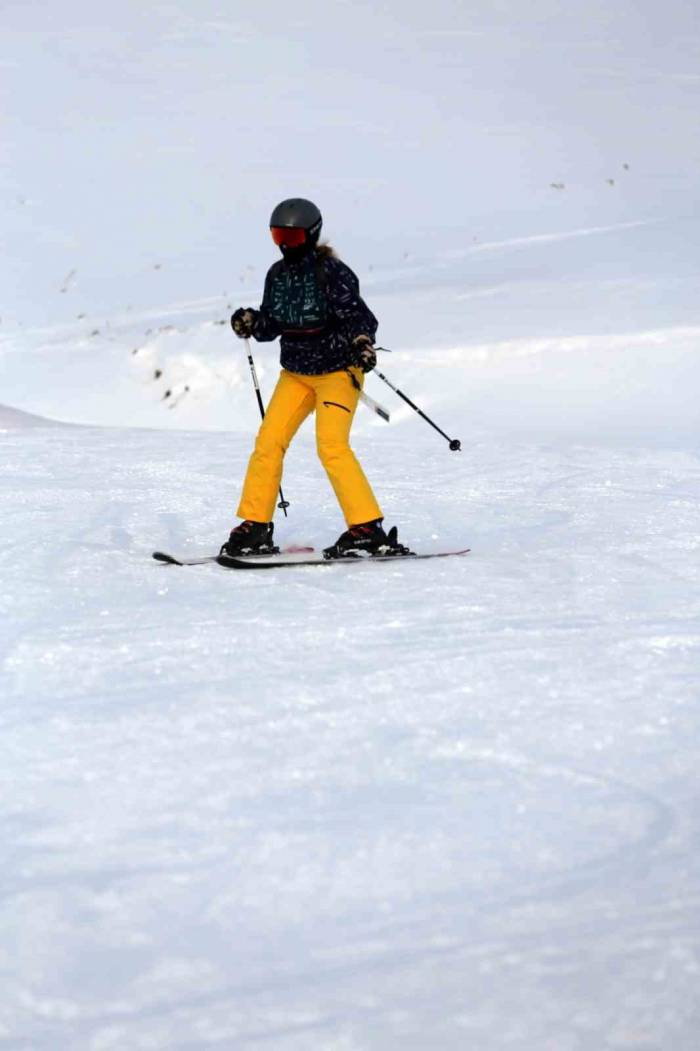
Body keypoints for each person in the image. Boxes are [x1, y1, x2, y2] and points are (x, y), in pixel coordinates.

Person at [223, 197, 409, 559]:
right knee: (268, 442)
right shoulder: (276, 276)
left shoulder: (332, 272)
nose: (283, 244)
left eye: (290, 237)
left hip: (338, 370)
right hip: (296, 374)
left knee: (331, 446)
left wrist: (361, 344)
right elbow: (272, 324)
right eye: (278, 235)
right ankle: (255, 526)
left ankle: (367, 529)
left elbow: (358, 317)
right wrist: (253, 322)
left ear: (310, 236)